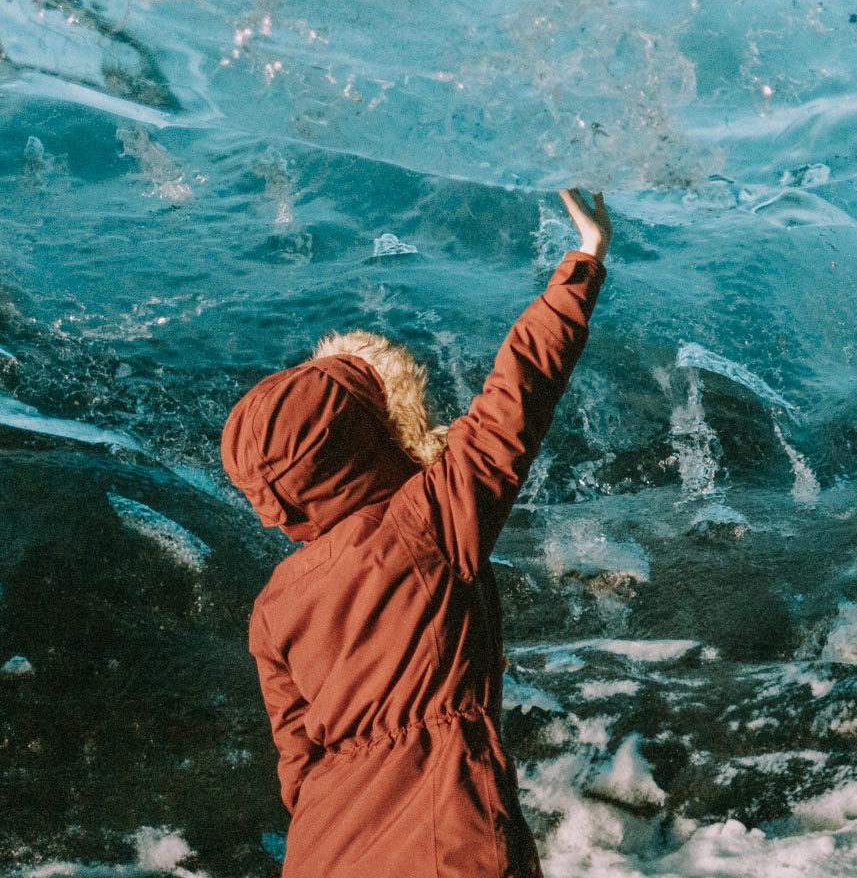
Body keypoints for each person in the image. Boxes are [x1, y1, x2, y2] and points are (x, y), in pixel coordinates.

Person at [222, 189, 612, 878]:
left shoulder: (272, 606)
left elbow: (297, 766)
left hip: (321, 851)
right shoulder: (427, 521)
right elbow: (515, 396)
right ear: (366, 434)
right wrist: (584, 260)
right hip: (448, 839)